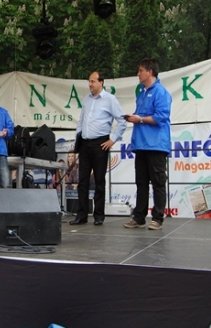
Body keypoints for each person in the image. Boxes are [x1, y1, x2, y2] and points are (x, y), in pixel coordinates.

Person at [70, 71, 127, 226]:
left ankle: (99, 215)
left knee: (99, 180)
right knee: (82, 181)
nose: (90, 84)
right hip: (85, 143)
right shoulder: (86, 99)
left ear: (101, 82)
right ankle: (81, 215)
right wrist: (77, 138)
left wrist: (112, 140)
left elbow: (122, 120)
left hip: (100, 143)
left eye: (93, 81)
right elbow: (81, 120)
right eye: (89, 81)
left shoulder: (110, 99)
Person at [123, 58, 172, 231]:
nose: (138, 74)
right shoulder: (141, 93)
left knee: (158, 183)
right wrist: (133, 118)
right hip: (141, 144)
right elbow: (141, 116)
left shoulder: (161, 92)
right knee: (141, 183)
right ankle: (139, 217)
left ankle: (157, 218)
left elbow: (161, 117)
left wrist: (141, 119)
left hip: (156, 145)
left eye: (140, 70)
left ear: (149, 72)